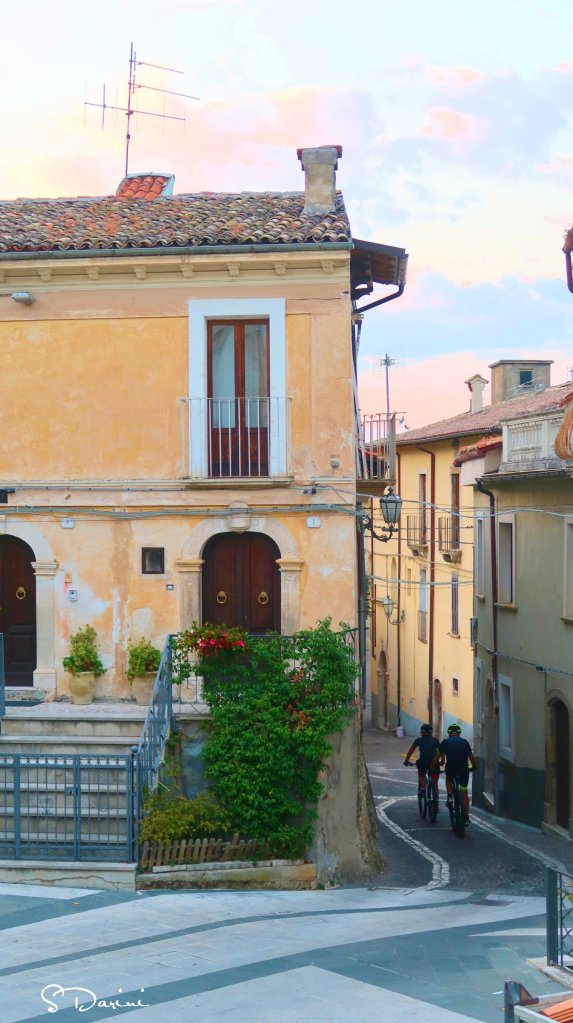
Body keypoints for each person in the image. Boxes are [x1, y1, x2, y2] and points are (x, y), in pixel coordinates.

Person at [433, 723, 476, 824]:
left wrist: (432, 767)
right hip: (463, 769)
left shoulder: (445, 742)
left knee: (448, 779)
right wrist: (474, 766)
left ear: (449, 733)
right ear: (459, 733)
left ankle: (449, 797)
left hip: (451, 768)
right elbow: (471, 756)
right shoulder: (465, 742)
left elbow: (437, 755)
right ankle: (466, 816)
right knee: (464, 791)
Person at [404, 724, 441, 811]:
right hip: (434, 763)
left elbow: (411, 751)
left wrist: (406, 760)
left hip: (423, 762)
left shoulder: (418, 740)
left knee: (421, 774)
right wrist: (442, 760)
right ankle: (436, 803)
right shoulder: (435, 740)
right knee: (435, 782)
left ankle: (423, 788)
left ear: (422, 732)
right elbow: (441, 751)